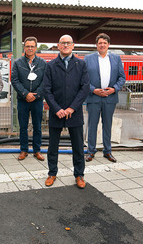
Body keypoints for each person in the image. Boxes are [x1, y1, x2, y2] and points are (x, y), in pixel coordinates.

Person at [43, 35, 90, 189]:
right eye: (63, 43)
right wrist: (56, 109)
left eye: (68, 43)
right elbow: (47, 90)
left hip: (74, 112)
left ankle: (79, 175)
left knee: (77, 145)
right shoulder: (50, 65)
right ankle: (52, 173)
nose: (65, 45)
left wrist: (72, 108)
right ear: (58, 45)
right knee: (53, 145)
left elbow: (84, 88)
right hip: (57, 113)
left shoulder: (81, 64)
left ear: (73, 45)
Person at [84, 33, 126, 163]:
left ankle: (107, 151)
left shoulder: (116, 58)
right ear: (96, 45)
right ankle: (91, 151)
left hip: (110, 97)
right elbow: (83, 78)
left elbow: (122, 77)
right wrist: (93, 90)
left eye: (105, 43)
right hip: (93, 97)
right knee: (92, 125)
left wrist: (114, 89)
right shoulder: (88, 58)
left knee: (107, 125)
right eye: (100, 43)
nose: (102, 45)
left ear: (108, 45)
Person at [11, 36, 47, 161]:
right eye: (27, 46)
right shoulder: (18, 63)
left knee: (37, 126)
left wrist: (36, 94)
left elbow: (45, 81)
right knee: (23, 126)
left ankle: (37, 150)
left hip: (37, 100)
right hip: (23, 100)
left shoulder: (42, 63)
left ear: (36, 48)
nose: (30, 48)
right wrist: (25, 93)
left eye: (32, 46)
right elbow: (14, 80)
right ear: (24, 47)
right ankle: (24, 150)